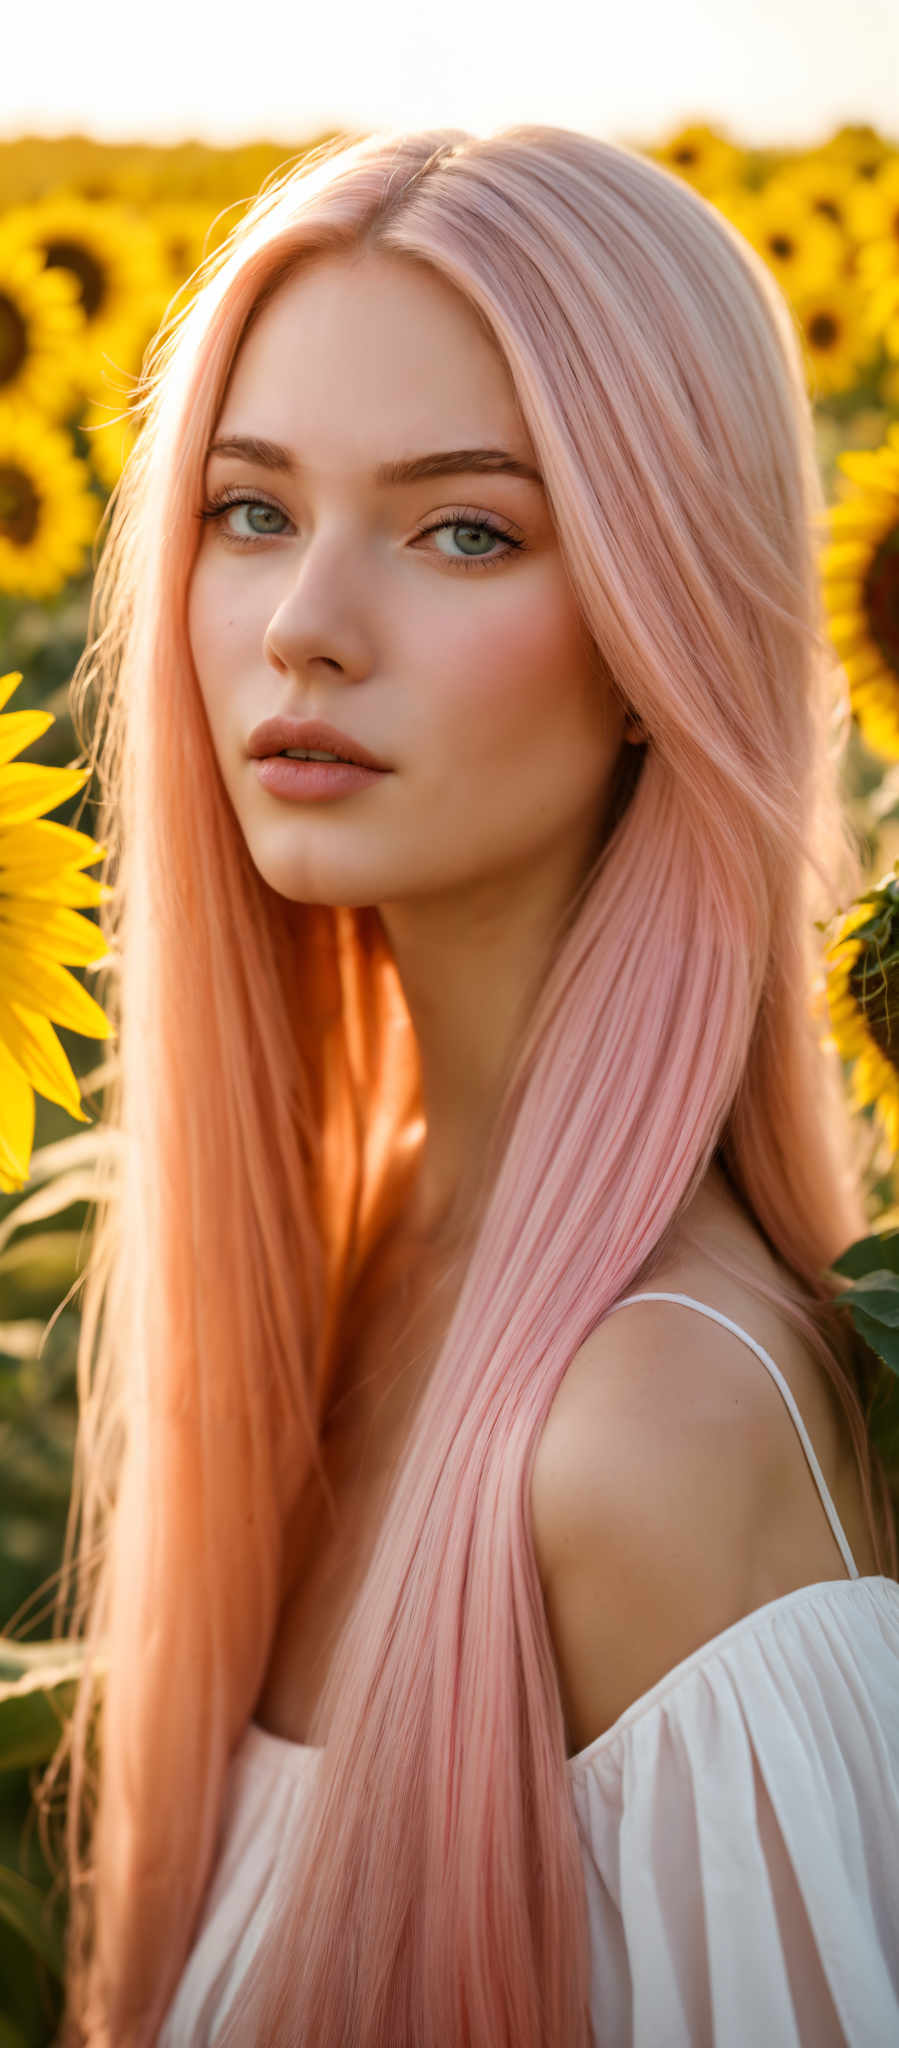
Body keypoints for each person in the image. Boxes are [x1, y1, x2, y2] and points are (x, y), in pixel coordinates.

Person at [48, 123, 898, 2046]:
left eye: (465, 530)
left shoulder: (660, 1432)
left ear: (657, 637)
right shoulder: (351, 1259)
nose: (302, 628)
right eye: (250, 509)